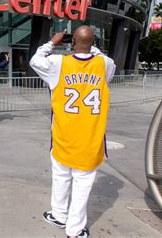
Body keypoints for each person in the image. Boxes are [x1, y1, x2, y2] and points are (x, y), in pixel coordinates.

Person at [30, 26, 116, 238]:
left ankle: (59, 216)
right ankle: (75, 230)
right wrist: (89, 46)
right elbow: (103, 58)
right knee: (82, 186)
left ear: (72, 42)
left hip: (63, 137)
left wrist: (53, 42)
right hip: (90, 139)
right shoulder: (104, 64)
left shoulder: (59, 63)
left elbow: (35, 60)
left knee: (61, 178)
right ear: (93, 43)